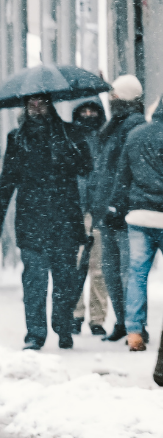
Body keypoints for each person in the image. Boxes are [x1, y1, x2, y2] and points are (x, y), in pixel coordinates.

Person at [0, 94, 92, 350]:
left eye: (41, 104)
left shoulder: (69, 134)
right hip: (31, 218)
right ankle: (35, 334)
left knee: (64, 279)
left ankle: (63, 326)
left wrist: (69, 150)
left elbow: (85, 168)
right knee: (34, 281)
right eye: (31, 105)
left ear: (50, 106)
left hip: (64, 218)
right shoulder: (17, 138)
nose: (36, 109)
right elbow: (8, 179)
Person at [88, 76, 147, 342]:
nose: (110, 101)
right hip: (108, 210)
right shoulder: (113, 127)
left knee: (125, 272)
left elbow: (126, 173)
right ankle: (124, 321)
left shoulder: (132, 127)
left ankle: (134, 325)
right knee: (112, 272)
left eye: (114, 96)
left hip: (123, 211)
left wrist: (117, 204)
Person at [110, 91, 163, 358]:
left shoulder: (136, 135)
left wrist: (115, 207)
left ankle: (134, 332)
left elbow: (122, 177)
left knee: (137, 275)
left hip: (139, 215)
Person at [68, 99, 113, 337]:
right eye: (84, 111)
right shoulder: (70, 139)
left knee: (99, 269)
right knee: (76, 266)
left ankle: (97, 318)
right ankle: (75, 314)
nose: (88, 115)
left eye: (92, 111)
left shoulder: (106, 140)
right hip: (76, 210)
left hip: (99, 210)